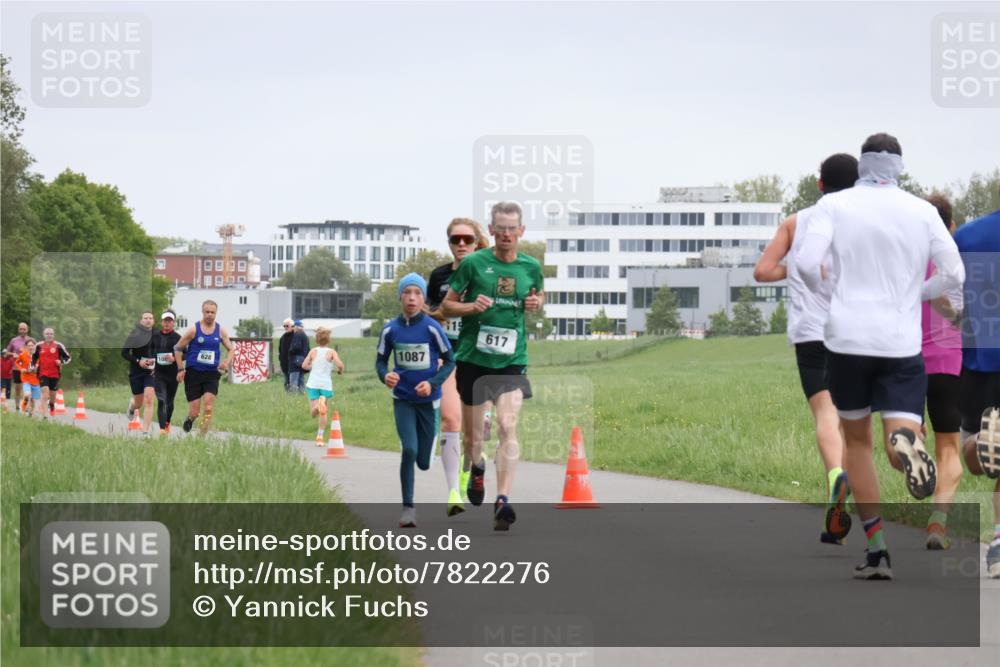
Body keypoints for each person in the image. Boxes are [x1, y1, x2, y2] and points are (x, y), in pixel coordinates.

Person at [795, 133, 964, 579]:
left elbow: (807, 263)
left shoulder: (835, 206)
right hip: (901, 344)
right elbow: (955, 273)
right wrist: (917, 292)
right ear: (898, 168)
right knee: (899, 433)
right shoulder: (923, 211)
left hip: (847, 340)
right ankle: (906, 445)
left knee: (855, 444)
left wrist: (830, 292)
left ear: (863, 164)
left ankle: (877, 548)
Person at [754, 153, 858, 545]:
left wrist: (795, 266)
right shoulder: (860, 223)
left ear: (819, 184)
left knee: (823, 412)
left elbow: (762, 270)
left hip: (809, 333)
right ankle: (846, 495)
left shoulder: (796, 222)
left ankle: (835, 477)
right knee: (853, 420)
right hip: (852, 331)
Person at [440, 201, 545, 531]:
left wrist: (535, 303)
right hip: (474, 360)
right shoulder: (473, 264)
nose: (506, 235)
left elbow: (537, 298)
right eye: (500, 229)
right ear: (492, 231)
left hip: (512, 361)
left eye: (512, 229)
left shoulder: (530, 267)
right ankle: (478, 468)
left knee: (506, 424)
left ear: (521, 231)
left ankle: (503, 500)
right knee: (473, 440)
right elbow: (447, 306)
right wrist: (472, 306)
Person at [376, 274, 456, 528]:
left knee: (423, 462)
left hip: (428, 401)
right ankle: (408, 508)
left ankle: (427, 448)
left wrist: (432, 383)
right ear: (400, 296)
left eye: (417, 293)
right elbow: (380, 362)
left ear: (423, 298)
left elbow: (450, 361)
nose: (412, 298)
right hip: (403, 399)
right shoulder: (390, 329)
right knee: (408, 450)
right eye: (407, 292)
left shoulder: (432, 327)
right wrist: (384, 376)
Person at [951, 185, 1000, 579]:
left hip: (977, 359)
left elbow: (946, 293)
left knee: (975, 453)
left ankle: (978, 443)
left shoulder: (965, 235)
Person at [427, 217, 490, 515]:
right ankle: (454, 492)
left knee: (472, 431)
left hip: (480, 356)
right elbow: (430, 312)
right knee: (451, 420)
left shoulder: (490, 273)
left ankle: (471, 467)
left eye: (467, 239)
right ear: (450, 243)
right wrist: (442, 312)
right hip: (449, 356)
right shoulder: (439, 276)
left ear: (477, 242)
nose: (462, 244)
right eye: (456, 240)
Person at [920, 194, 965, 550]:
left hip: (901, 357)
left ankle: (913, 453)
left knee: (903, 430)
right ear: (949, 226)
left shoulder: (901, 257)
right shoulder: (954, 257)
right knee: (949, 445)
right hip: (946, 360)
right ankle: (939, 522)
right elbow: (949, 307)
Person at [174, 300, 232, 435]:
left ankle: (202, 437)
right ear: (202, 312)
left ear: (216, 313)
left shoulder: (220, 330)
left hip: (211, 374)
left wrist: (226, 363)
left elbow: (231, 349)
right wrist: (180, 369)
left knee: (208, 407)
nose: (210, 315)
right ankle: (190, 419)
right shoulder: (194, 330)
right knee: (195, 412)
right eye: (207, 312)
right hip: (194, 374)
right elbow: (177, 348)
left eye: (212, 312)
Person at [301, 326, 345, 446]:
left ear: (317, 340)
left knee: (313, 413)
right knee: (323, 413)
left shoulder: (313, 351)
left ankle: (317, 406)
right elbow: (340, 365)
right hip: (325, 385)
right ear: (329, 340)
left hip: (313, 383)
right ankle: (320, 437)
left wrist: (312, 367)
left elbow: (304, 366)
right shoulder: (331, 352)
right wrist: (340, 370)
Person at [122, 313, 157, 436]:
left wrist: (158, 365)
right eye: (145, 318)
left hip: (152, 373)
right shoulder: (135, 334)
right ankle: (132, 407)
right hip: (137, 371)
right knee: (139, 403)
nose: (148, 320)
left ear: (154, 320)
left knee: (149, 399)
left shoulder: (158, 334)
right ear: (141, 321)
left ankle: (145, 431)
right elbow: (124, 352)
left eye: (150, 318)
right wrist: (138, 361)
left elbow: (164, 351)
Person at [153, 311, 182, 435]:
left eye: (170, 321)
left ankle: (167, 422)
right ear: (161, 322)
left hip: (172, 374)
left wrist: (175, 358)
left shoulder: (178, 338)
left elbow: (186, 353)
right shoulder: (154, 336)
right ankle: (161, 430)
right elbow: (149, 352)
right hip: (158, 373)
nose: (167, 323)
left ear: (173, 323)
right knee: (161, 400)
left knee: (169, 401)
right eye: (165, 320)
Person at [32, 327, 71, 418]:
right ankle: (44, 416)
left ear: (53, 335)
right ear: (44, 335)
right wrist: (32, 366)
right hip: (43, 373)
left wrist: (60, 362)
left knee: (52, 395)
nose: (49, 335)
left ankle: (52, 404)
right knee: (45, 394)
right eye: (47, 334)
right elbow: (33, 357)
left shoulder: (58, 345)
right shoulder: (39, 345)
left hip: (55, 374)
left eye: (51, 334)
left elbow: (68, 358)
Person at [6, 322, 30, 412]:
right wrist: (12, 354)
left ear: (27, 330)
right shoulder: (14, 340)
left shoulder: (31, 340)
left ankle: (25, 406)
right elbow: (6, 353)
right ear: (18, 330)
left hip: (28, 369)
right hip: (17, 368)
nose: (22, 331)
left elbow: (36, 352)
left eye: (24, 329)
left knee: (27, 389)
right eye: (21, 329)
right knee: (18, 389)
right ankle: (17, 407)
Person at [16, 339, 39, 417]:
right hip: (26, 378)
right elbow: (17, 362)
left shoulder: (38, 355)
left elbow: (40, 365)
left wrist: (36, 369)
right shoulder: (23, 354)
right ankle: (23, 408)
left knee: (33, 400)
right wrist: (21, 369)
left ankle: (30, 414)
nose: (30, 347)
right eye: (29, 346)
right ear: (26, 347)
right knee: (27, 394)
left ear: (34, 346)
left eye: (32, 345)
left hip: (36, 380)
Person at [287, 320, 310, 393]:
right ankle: (302, 394)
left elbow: (296, 346)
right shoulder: (305, 336)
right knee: (301, 380)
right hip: (303, 361)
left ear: (296, 327)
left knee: (293, 380)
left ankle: (294, 396)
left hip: (295, 361)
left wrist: (290, 351)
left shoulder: (297, 334)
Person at [278, 318, 294, 391]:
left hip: (294, 364)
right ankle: (288, 396)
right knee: (286, 382)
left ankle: (295, 395)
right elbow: (280, 351)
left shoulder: (296, 336)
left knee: (294, 382)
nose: (285, 328)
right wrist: (281, 360)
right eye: (284, 326)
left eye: (287, 326)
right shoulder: (283, 338)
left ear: (292, 326)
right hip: (284, 364)